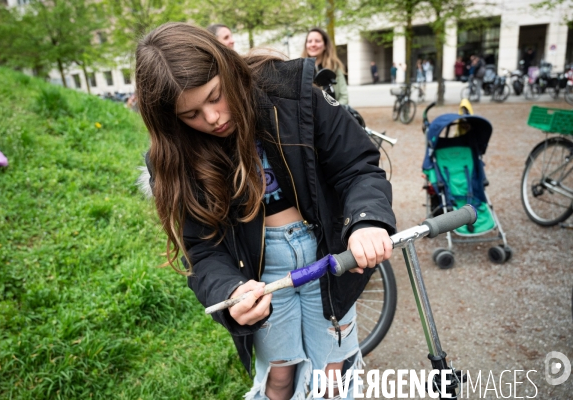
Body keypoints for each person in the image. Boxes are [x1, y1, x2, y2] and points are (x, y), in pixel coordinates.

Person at [135, 22, 395, 400]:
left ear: (227, 67)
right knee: (279, 377)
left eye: (216, 96)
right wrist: (230, 291)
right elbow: (202, 250)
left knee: (333, 379)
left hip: (331, 254)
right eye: (190, 114)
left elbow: (357, 166)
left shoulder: (293, 93)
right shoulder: (176, 157)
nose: (211, 118)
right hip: (259, 274)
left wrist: (366, 221)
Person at [302, 27, 349, 105]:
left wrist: (334, 112)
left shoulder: (335, 67)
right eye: (310, 41)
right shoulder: (300, 69)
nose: (313, 44)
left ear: (325, 45)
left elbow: (344, 97)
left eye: (317, 41)